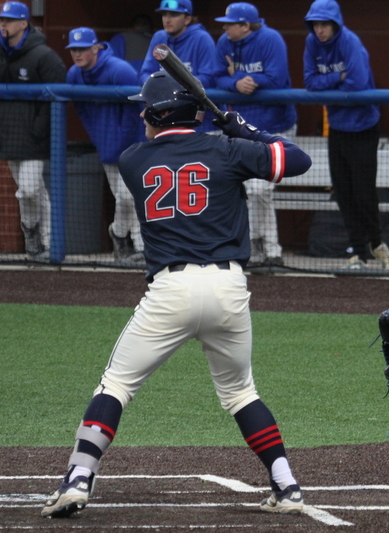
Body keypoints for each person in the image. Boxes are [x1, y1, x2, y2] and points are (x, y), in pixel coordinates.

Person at [40, 71, 312, 519]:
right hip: (229, 288)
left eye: (145, 109)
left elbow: (180, 151)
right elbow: (296, 159)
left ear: (159, 115)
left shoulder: (133, 160)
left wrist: (230, 136)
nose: (140, 114)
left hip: (170, 290)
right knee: (241, 393)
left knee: (117, 385)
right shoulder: (229, 150)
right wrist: (244, 130)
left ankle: (78, 478)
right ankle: (286, 485)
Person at [303, 0, 389, 271]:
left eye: (325, 25)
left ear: (335, 24)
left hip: (364, 127)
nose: (320, 30)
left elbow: (357, 83)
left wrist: (331, 88)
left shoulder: (350, 41)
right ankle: (357, 253)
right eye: (316, 25)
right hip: (337, 127)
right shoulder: (312, 43)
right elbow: (310, 82)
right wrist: (337, 80)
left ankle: (377, 244)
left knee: (364, 193)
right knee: (343, 192)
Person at [214, 2, 297, 268]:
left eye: (230, 23)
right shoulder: (224, 42)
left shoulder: (270, 39)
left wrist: (236, 75)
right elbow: (215, 77)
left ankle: (264, 247)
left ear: (246, 26)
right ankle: (266, 250)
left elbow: (277, 78)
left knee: (260, 189)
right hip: (243, 127)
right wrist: (235, 82)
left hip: (276, 127)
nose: (224, 27)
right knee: (253, 190)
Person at [0, 1, 66, 262]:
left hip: (33, 138)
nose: (3, 24)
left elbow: (58, 94)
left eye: (8, 20)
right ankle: (39, 240)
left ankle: (38, 235)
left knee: (29, 190)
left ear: (23, 23)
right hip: (7, 135)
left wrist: (39, 129)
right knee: (33, 190)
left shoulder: (43, 55)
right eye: (1, 20)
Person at [65, 27, 146, 265]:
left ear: (96, 48)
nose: (77, 54)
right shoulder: (74, 75)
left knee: (133, 196)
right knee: (123, 198)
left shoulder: (119, 70)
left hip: (134, 141)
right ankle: (120, 235)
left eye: (82, 49)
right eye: (73, 50)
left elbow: (135, 112)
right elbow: (83, 111)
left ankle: (138, 245)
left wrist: (121, 142)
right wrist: (101, 139)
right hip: (106, 143)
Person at [138, 0, 220, 133]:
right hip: (165, 118)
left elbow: (208, 78)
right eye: (164, 14)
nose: (167, 19)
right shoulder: (159, 37)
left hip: (200, 122)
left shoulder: (202, 39)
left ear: (187, 19)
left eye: (174, 15)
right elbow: (145, 73)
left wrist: (172, 88)